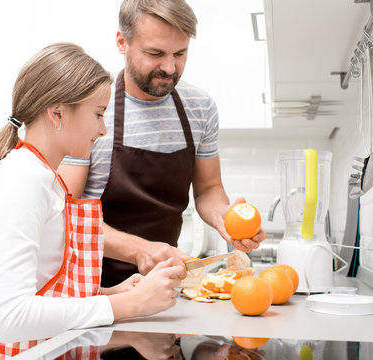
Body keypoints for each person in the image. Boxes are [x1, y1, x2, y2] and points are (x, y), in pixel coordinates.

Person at [0, 43, 183, 359]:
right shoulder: (22, 180)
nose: (103, 129)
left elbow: (46, 290)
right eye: (98, 114)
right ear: (57, 113)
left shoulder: (43, 177)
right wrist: (131, 303)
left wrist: (111, 293)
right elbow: (12, 317)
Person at [58, 0, 267, 288]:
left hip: (164, 285)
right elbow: (67, 213)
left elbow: (208, 189)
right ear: (122, 42)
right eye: (155, 53)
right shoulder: (92, 108)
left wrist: (226, 221)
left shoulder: (200, 107)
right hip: (93, 288)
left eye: (180, 53)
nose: (169, 68)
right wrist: (140, 250)